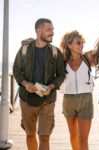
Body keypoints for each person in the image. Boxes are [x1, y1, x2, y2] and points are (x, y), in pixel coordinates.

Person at [13, 18, 65, 150]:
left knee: (44, 136)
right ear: (38, 30)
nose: (52, 32)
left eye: (52, 30)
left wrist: (51, 87)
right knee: (30, 135)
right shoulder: (24, 49)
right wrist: (25, 84)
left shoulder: (55, 52)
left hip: (47, 101)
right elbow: (16, 71)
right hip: (26, 100)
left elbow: (61, 74)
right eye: (49, 30)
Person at [60, 30, 95, 150]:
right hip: (68, 100)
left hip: (85, 100)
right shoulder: (62, 61)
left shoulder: (88, 57)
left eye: (82, 43)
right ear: (69, 45)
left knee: (83, 138)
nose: (81, 45)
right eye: (78, 43)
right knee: (73, 135)